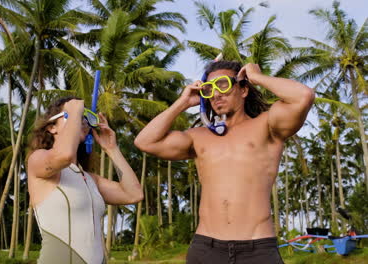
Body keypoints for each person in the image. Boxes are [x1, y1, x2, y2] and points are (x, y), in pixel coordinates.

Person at [134, 61, 314, 263]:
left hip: (257, 250)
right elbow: (145, 141)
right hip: (206, 248)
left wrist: (257, 77)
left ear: (243, 89)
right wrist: (182, 103)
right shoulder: (198, 137)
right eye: (209, 89)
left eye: (223, 85)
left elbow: (303, 96)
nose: (216, 94)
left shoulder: (267, 125)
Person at [27, 96, 143, 264]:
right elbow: (64, 155)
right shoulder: (37, 160)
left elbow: (134, 194)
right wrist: (75, 109)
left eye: (85, 118)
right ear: (52, 127)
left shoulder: (89, 179)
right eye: (75, 116)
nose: (81, 121)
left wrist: (112, 148)